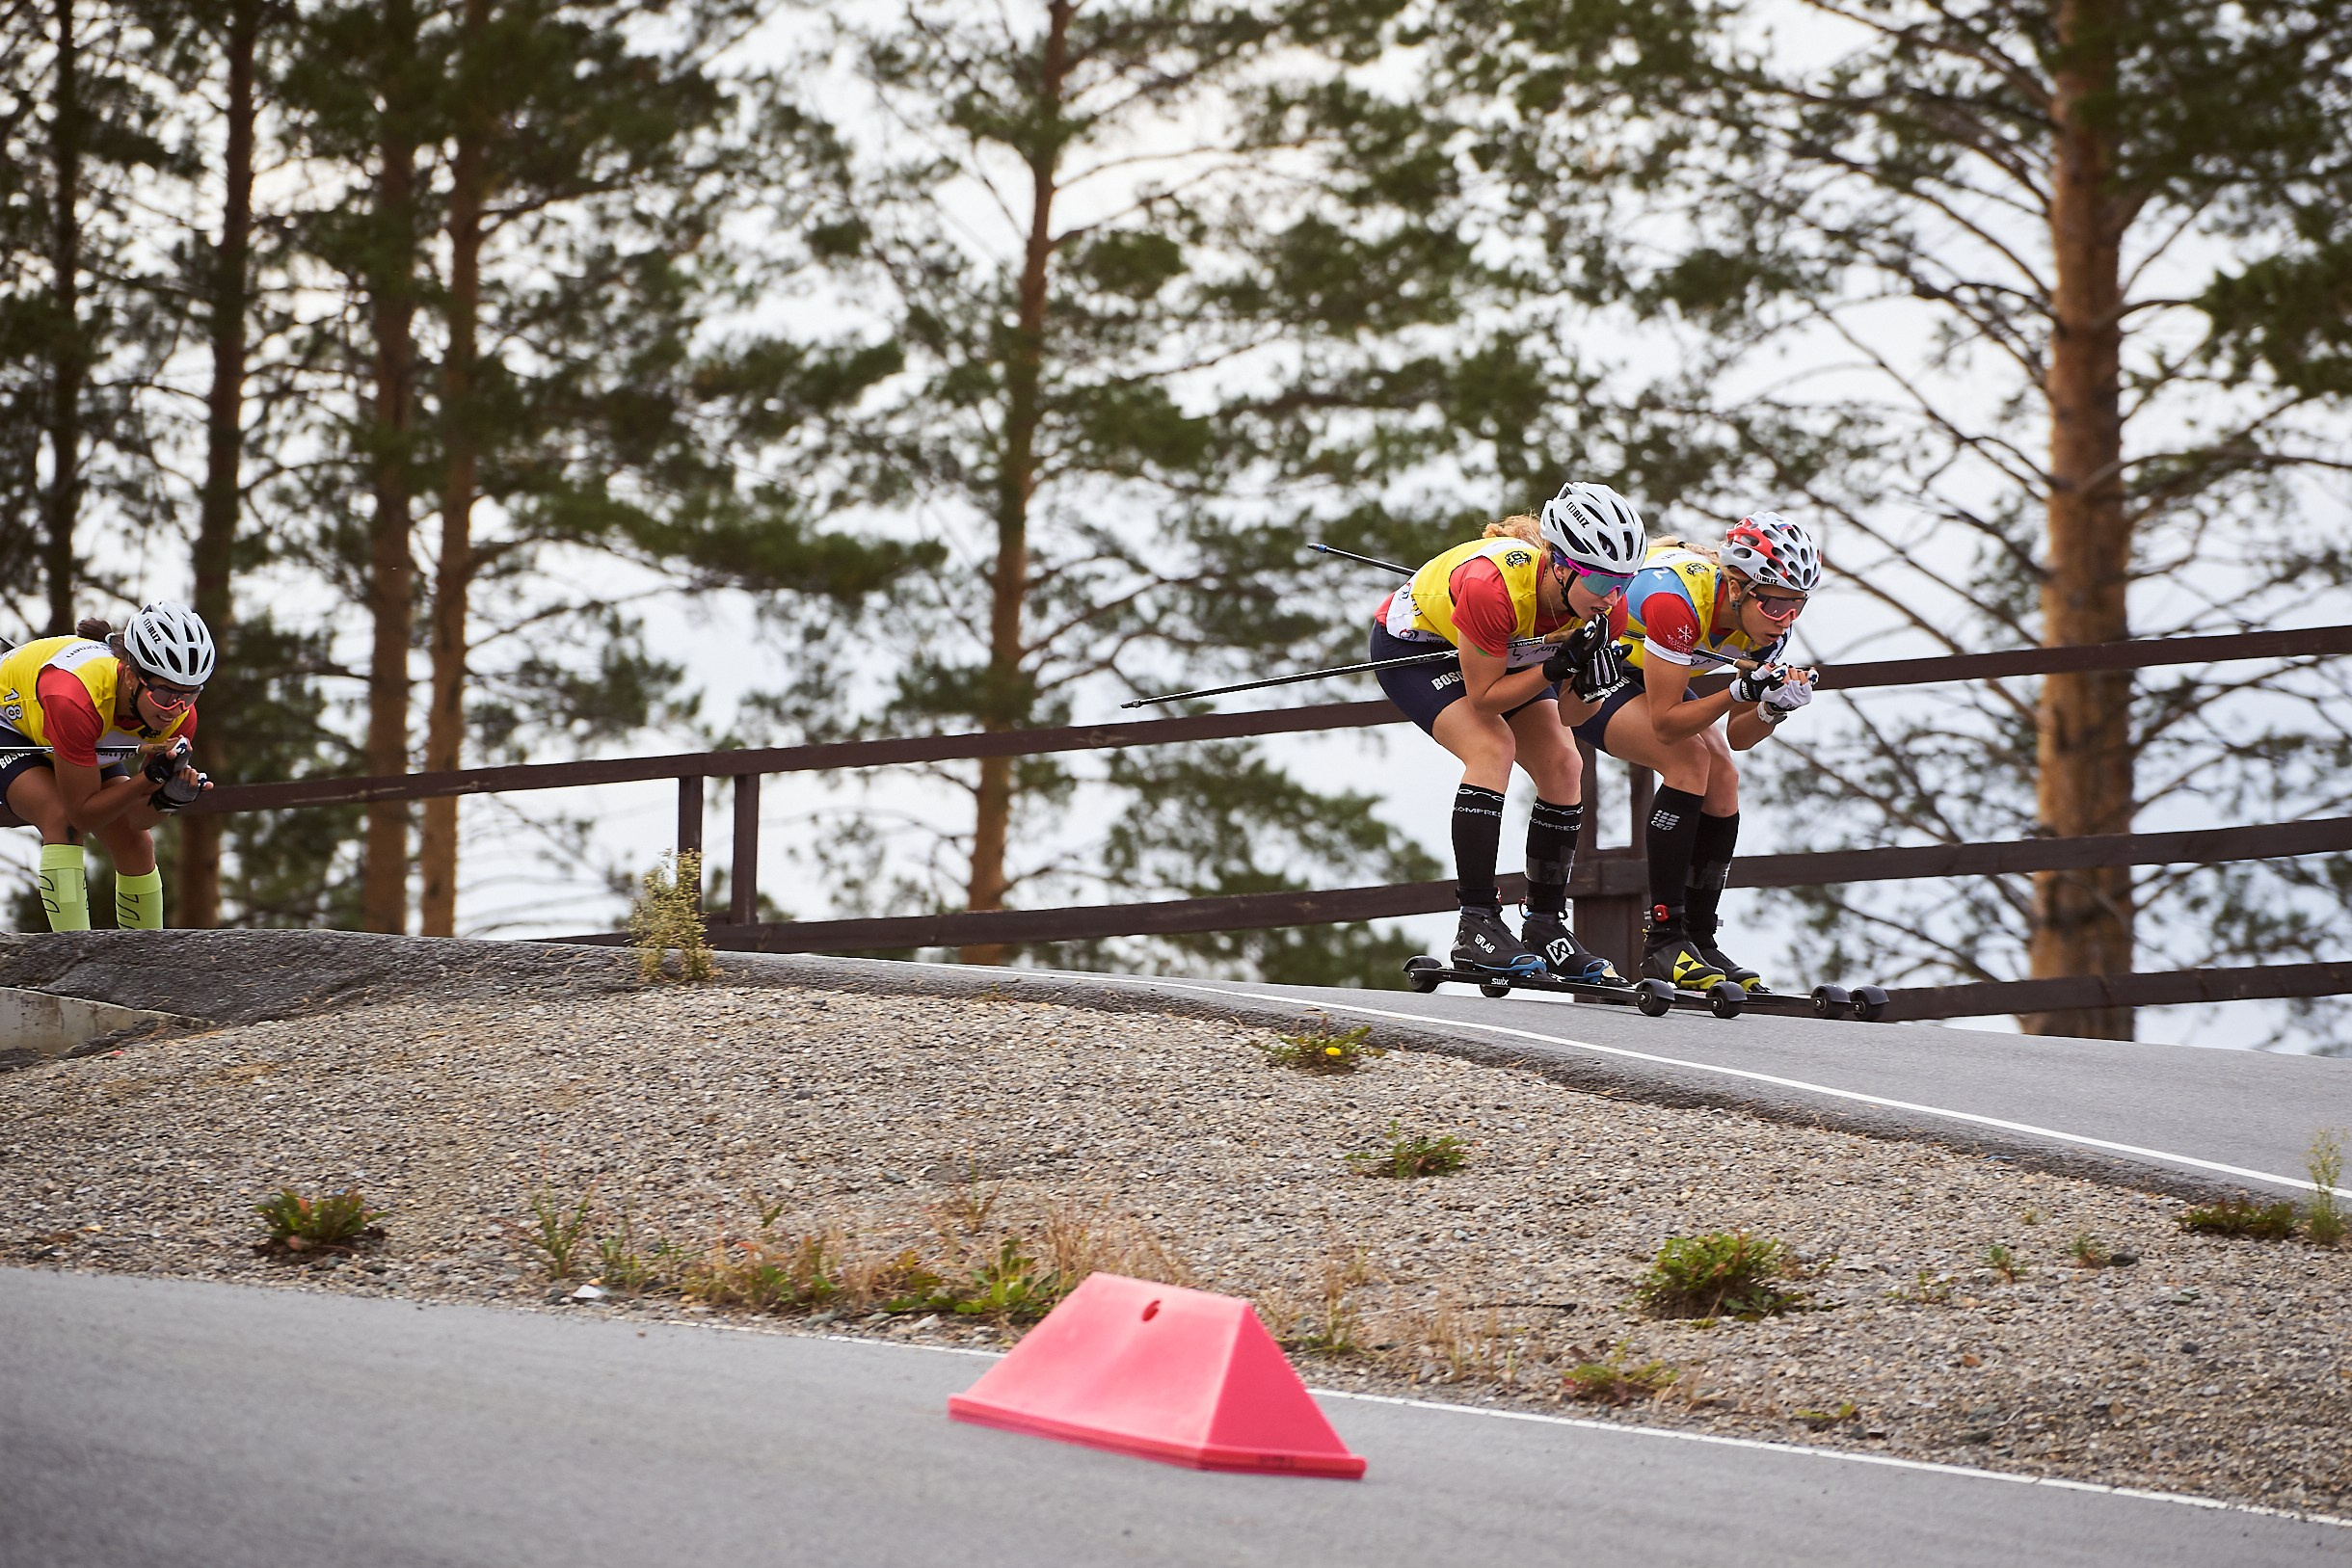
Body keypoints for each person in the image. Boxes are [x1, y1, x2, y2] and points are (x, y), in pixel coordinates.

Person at [1372, 482, 1646, 978]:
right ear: (1562, 565)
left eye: (1624, 584)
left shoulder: (1607, 609)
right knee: (1491, 747)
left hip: (1511, 653)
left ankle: (1544, 922)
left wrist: (1589, 687)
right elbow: (1484, 698)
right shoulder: (1491, 587)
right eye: (1604, 583)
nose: (1614, 598)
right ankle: (1475, 921)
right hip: (1419, 647)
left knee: (1565, 765)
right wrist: (1557, 665)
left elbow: (1571, 719)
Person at [1568, 511, 1823, 993]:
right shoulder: (1675, 603)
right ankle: (1663, 940)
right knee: (1688, 761)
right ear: (1738, 585)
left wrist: (1772, 709)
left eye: (1797, 607)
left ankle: (1700, 938)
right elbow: (1666, 725)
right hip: (1595, 675)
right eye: (1774, 605)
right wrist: (1739, 693)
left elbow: (1741, 737)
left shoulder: (1769, 630)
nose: (1785, 620)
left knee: (1724, 775)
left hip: (1650, 673)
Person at [0, 602, 215, 932]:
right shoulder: (76, 695)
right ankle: (72, 962)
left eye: (190, 694)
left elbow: (137, 818)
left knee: (136, 842)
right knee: (59, 817)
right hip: (13, 726)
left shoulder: (182, 715)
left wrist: (168, 798)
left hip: (81, 735)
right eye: (165, 693)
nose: (176, 709)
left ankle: (145, 965)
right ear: (131, 674)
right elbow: (81, 817)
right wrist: (147, 779)